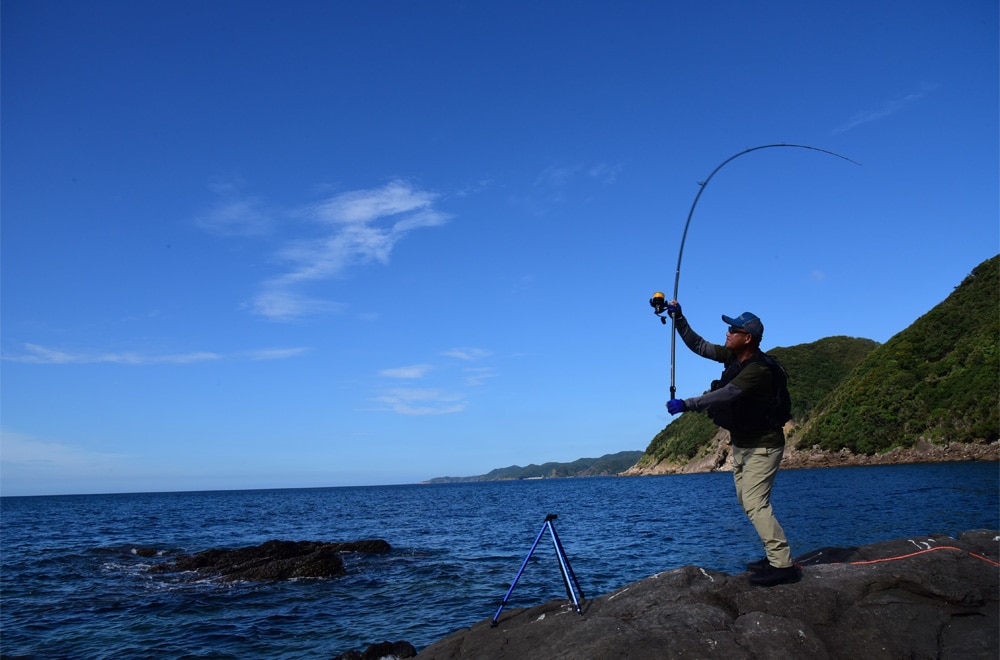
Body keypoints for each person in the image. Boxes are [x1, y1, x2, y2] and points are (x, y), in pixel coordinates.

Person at [665, 300, 799, 587]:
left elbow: (727, 394)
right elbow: (699, 346)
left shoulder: (758, 370)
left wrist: (687, 404)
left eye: (733, 330)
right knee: (747, 500)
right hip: (743, 443)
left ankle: (783, 564)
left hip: (764, 445)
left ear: (747, 338)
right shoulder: (732, 357)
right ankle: (773, 556)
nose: (727, 333)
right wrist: (679, 320)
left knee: (754, 502)